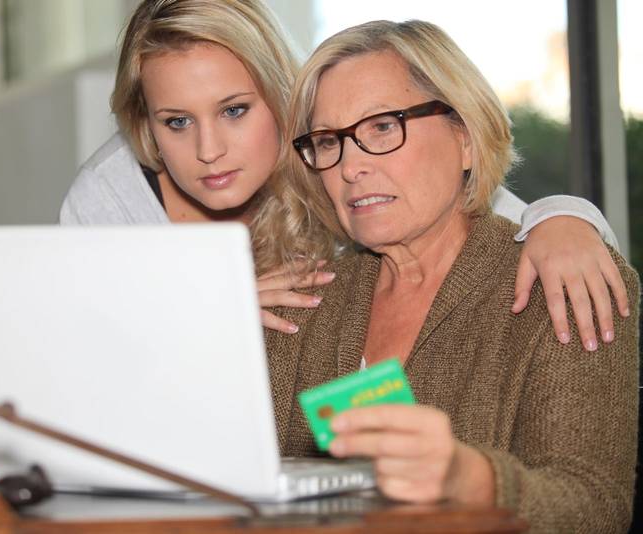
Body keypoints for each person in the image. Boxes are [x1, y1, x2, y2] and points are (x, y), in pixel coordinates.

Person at [59, 0, 628, 347]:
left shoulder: (336, 163)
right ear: (145, 124)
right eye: (177, 121)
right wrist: (204, 313)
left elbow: (481, 205)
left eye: (234, 111)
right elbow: (85, 361)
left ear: (281, 95)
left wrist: (567, 219)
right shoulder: (110, 198)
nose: (209, 150)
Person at [256, 19, 639, 532]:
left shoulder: (564, 283)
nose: (349, 167)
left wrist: (471, 482)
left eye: (382, 127)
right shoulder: (296, 306)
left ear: (465, 137)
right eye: (329, 141)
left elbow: (594, 507)